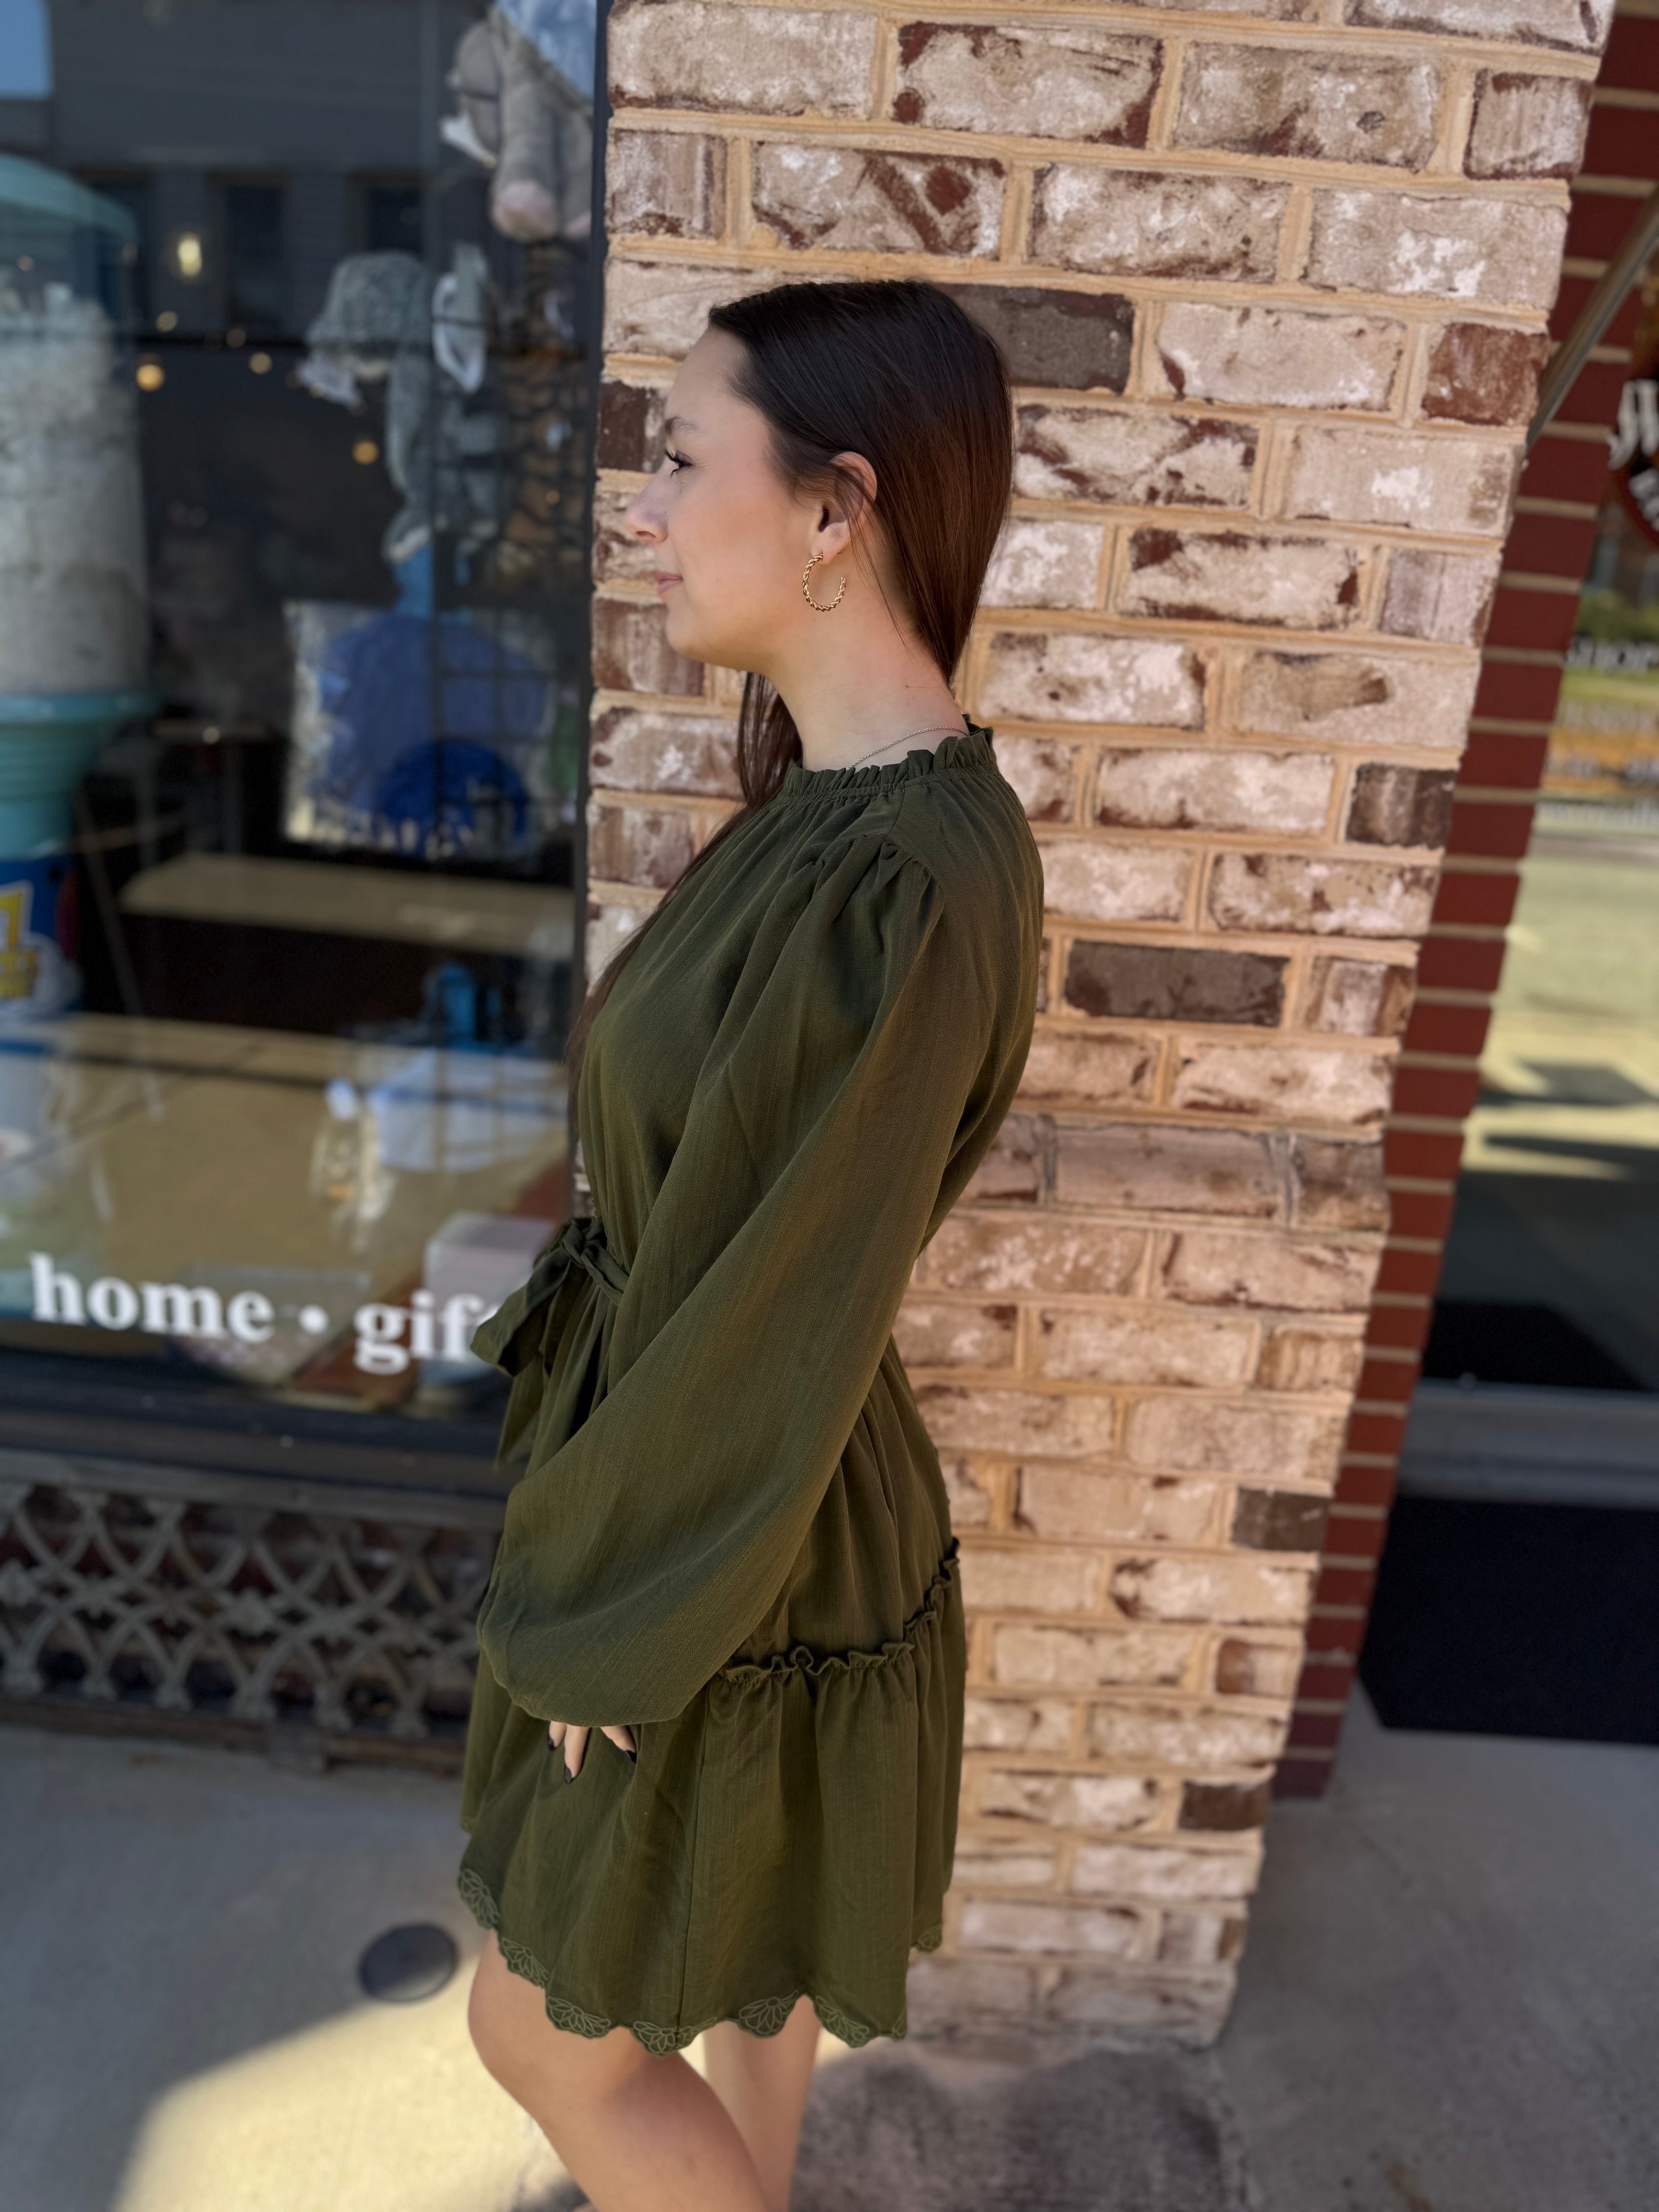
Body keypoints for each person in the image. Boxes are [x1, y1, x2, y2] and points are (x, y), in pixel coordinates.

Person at [460, 276, 1044, 2212]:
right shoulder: (840, 808)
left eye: (678, 456)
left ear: (832, 511)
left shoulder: (904, 878)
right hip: (737, 1475)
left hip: (726, 1523)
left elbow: (773, 1288)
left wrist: (615, 1610)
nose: (638, 509)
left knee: (537, 2034)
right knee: (742, 1961)